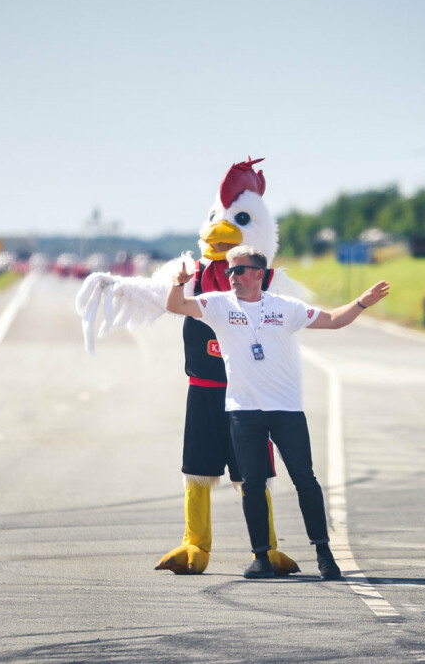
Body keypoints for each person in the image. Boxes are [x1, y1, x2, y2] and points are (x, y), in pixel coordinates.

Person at [165, 244, 390, 580]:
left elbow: (332, 320)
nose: (232, 277)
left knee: (306, 482)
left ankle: (324, 554)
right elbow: (177, 306)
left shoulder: (284, 307)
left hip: (285, 410)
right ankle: (261, 558)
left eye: (239, 270)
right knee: (252, 485)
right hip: (243, 411)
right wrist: (178, 282)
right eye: (229, 271)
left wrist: (361, 303)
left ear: (259, 273)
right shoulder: (219, 305)